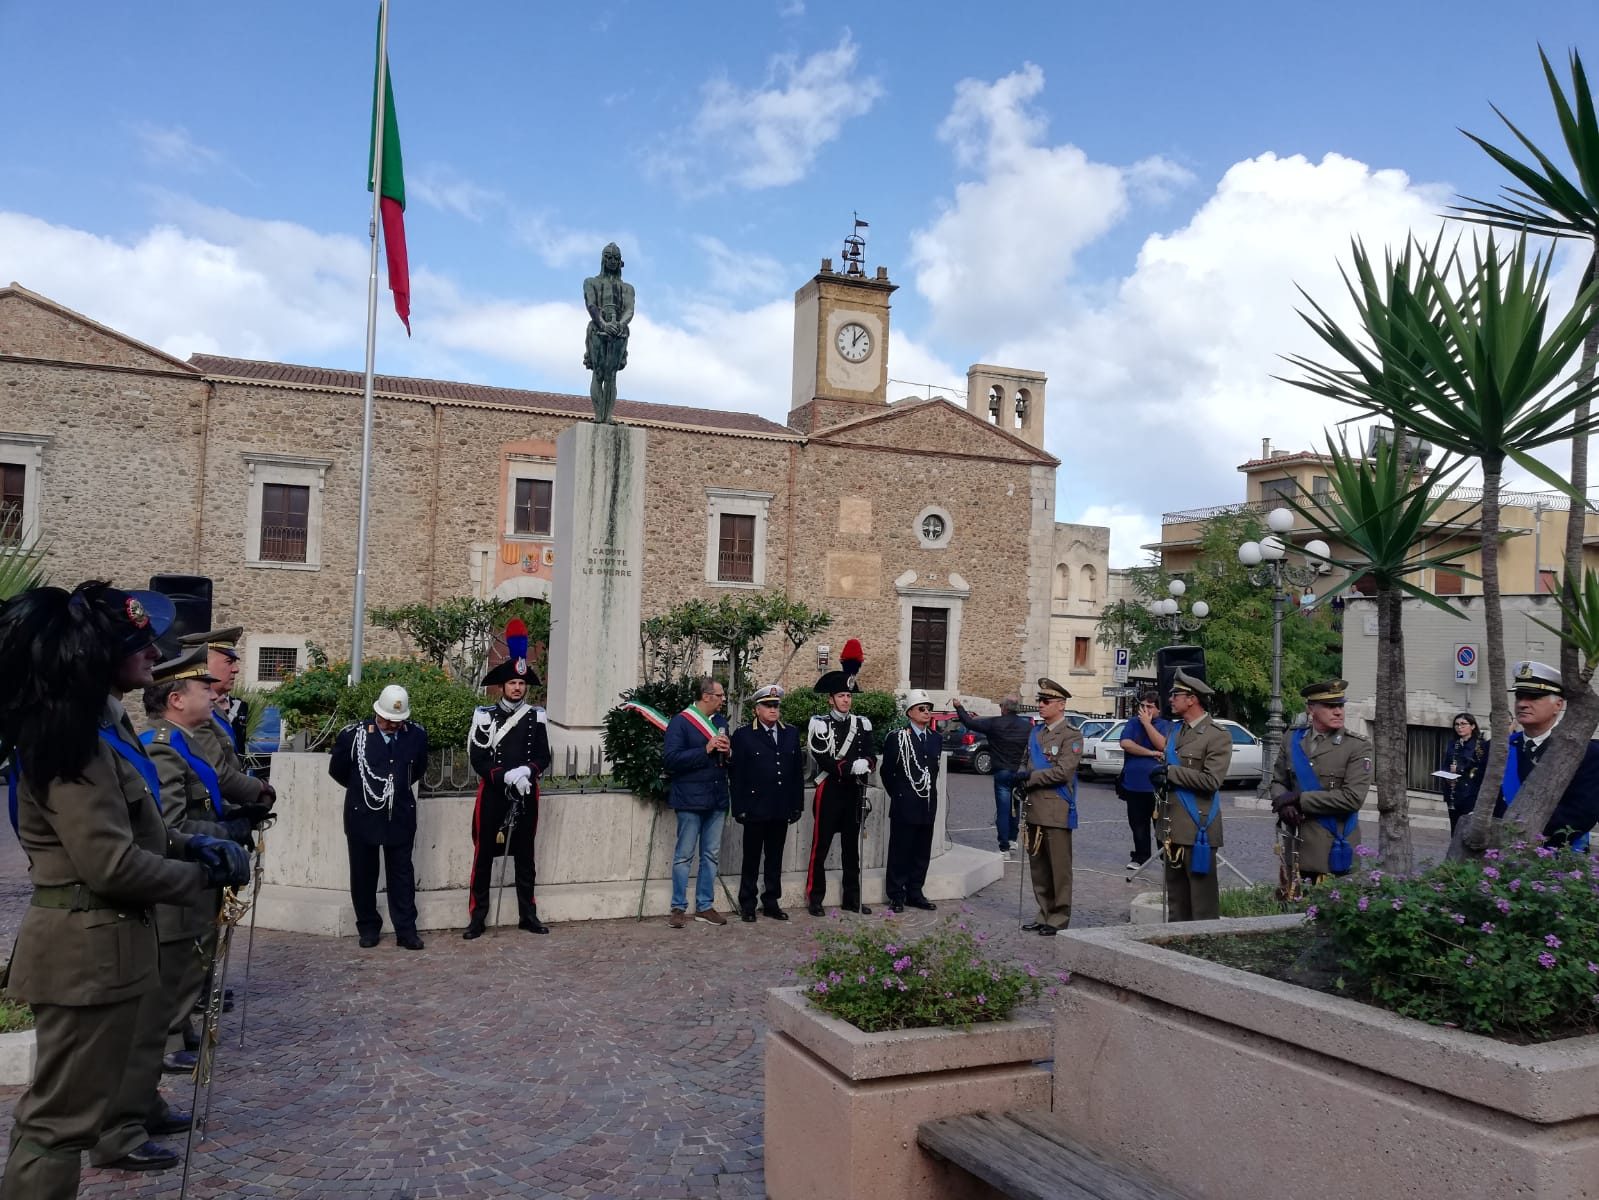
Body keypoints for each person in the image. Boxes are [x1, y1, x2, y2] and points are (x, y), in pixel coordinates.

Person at [0, 583, 249, 1197]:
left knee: (74, 1111)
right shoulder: (73, 743)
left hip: (105, 947)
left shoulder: (99, 726)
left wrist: (191, 845)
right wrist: (199, 875)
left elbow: (137, 824)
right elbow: (109, 864)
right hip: (84, 952)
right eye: (134, 643)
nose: (152, 651)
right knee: (60, 1122)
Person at [464, 624, 552, 938]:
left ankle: (528, 914)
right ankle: (477, 917)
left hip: (525, 793)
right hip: (494, 794)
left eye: (521, 683)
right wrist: (504, 776)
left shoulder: (536, 716)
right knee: (484, 855)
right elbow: (478, 756)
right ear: (502, 685)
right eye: (512, 682)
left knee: (525, 856)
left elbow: (544, 755)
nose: (517, 688)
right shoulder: (484, 714)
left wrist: (528, 771)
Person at [331, 684, 429, 950]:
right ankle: (368, 927)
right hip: (363, 814)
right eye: (389, 720)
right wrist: (368, 791)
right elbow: (339, 770)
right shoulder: (354, 735)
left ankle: (406, 930)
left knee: (402, 875)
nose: (394, 725)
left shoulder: (416, 735)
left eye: (399, 721)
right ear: (378, 713)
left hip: (399, 814)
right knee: (363, 874)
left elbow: (417, 769)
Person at [1471, 660, 1599, 847]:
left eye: (1533, 697)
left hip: (1556, 857)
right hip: (1499, 852)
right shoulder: (1498, 748)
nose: (1522, 704)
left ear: (1558, 705)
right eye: (1520, 697)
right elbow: (1479, 797)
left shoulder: (1586, 753)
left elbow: (1582, 813)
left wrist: (1526, 839)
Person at [1149, 669, 1232, 922]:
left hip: (1198, 827)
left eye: (1176, 694)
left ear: (1192, 699)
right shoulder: (1176, 731)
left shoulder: (1216, 735)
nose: (1170, 699)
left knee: (1202, 901)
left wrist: (1171, 772)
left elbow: (1211, 781)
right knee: (1176, 899)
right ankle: (1177, 945)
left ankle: (1203, 950)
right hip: (1171, 825)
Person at [1269, 679, 1371, 882]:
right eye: (1330, 706)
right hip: (1297, 845)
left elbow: (1352, 799)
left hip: (1333, 849)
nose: (1338, 712)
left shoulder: (1357, 746)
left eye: (1340, 705)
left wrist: (1299, 799)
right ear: (1310, 709)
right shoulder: (1292, 738)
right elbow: (1279, 781)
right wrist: (1284, 805)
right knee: (1292, 911)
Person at [728, 684, 804, 922]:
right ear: (756, 709)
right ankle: (748, 904)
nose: (773, 710)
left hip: (781, 806)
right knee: (751, 857)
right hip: (754, 806)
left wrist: (797, 805)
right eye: (768, 705)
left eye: (776, 705)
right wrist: (738, 806)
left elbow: (796, 774)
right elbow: (736, 774)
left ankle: (771, 901)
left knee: (775, 857)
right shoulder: (743, 735)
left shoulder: (790, 733)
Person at [804, 670, 877, 916]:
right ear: (830, 699)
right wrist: (847, 768)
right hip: (831, 789)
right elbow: (821, 757)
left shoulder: (862, 723)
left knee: (850, 848)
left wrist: (867, 763)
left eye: (848, 695)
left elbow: (870, 752)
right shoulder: (820, 723)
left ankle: (852, 898)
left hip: (853, 791)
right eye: (841, 695)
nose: (846, 700)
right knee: (821, 846)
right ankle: (815, 898)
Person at [662, 676, 732, 928]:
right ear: (706, 696)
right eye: (720, 695)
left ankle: (705, 906)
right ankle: (678, 907)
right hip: (690, 798)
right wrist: (705, 749)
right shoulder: (681, 722)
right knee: (684, 856)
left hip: (716, 797)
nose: (723, 700)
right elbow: (670, 760)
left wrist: (728, 752)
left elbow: (726, 760)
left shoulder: (721, 722)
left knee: (711, 855)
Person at [1019, 678, 1081, 935]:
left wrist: (1030, 778)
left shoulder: (1071, 735)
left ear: (1061, 704)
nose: (1040, 706)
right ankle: (1043, 912)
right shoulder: (1036, 733)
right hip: (1034, 807)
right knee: (1039, 867)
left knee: (1058, 868)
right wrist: (1020, 775)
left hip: (1056, 810)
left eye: (1045, 702)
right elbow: (1025, 761)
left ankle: (1058, 917)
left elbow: (1063, 772)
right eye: (1039, 701)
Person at [880, 690, 942, 913]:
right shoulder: (897, 738)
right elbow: (887, 771)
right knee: (900, 850)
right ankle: (896, 894)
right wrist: (899, 795)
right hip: (905, 802)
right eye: (922, 709)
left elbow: (932, 771)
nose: (927, 713)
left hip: (926, 803)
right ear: (910, 713)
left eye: (929, 709)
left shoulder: (935, 738)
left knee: (921, 851)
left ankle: (915, 891)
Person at [952, 694, 1032, 859]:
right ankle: (1012, 840)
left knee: (1003, 810)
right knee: (1014, 806)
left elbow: (969, 722)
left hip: (1002, 771)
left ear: (1003, 708)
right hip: (1018, 771)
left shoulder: (995, 723)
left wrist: (959, 707)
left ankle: (1004, 848)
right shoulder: (1026, 727)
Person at [582, 241, 635, 424]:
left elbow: (629, 309)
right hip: (597, 329)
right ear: (603, 259)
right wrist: (604, 324)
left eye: (616, 258)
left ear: (620, 261)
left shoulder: (627, 288)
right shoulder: (591, 282)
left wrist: (619, 324)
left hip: (619, 332)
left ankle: (608, 416)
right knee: (598, 373)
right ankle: (598, 415)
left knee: (611, 375)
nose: (612, 261)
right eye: (609, 257)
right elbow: (591, 305)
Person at [1116, 689, 1169, 869]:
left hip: (1156, 786)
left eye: (1150, 707)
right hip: (1134, 783)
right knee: (1138, 824)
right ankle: (1140, 856)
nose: (1145, 710)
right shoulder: (1132, 723)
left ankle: (1165, 857)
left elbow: (1163, 744)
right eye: (1143, 706)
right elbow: (1126, 744)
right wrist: (1151, 753)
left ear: (1159, 710)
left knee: (1161, 825)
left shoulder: (1165, 725)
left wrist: (1147, 724)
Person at [1439, 712, 1489, 833]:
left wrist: (1459, 770)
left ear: (1472, 726)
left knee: (1467, 828)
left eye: (1463, 724)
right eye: (1456, 724)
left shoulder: (1480, 745)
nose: (1459, 727)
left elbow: (1478, 767)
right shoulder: (1453, 744)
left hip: (1469, 792)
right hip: (1453, 791)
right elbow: (1446, 763)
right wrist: (1447, 776)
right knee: (1454, 827)